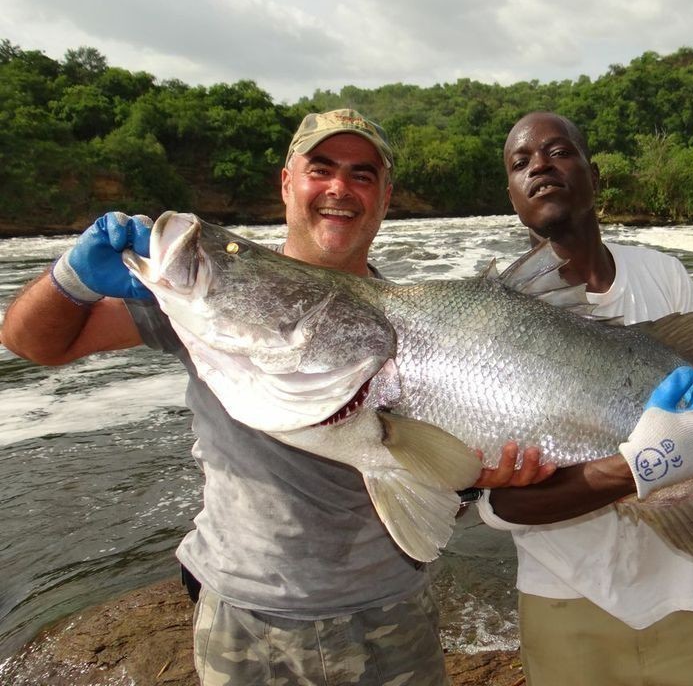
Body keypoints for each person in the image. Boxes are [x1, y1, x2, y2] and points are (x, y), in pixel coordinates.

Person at [0, 109, 550, 686]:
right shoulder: (207, 302)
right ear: (286, 184)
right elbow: (30, 343)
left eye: (362, 175)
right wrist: (72, 281)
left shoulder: (427, 321)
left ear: (385, 197)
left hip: (392, 613)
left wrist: (470, 476)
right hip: (245, 619)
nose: (340, 188)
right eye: (321, 168)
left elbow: (432, 475)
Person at [478, 111, 693, 686]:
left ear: (594, 173)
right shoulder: (490, 315)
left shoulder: (662, 273)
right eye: (521, 162)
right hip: (564, 596)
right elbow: (495, 502)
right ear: (512, 195)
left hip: (682, 587)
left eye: (558, 152)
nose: (540, 166)